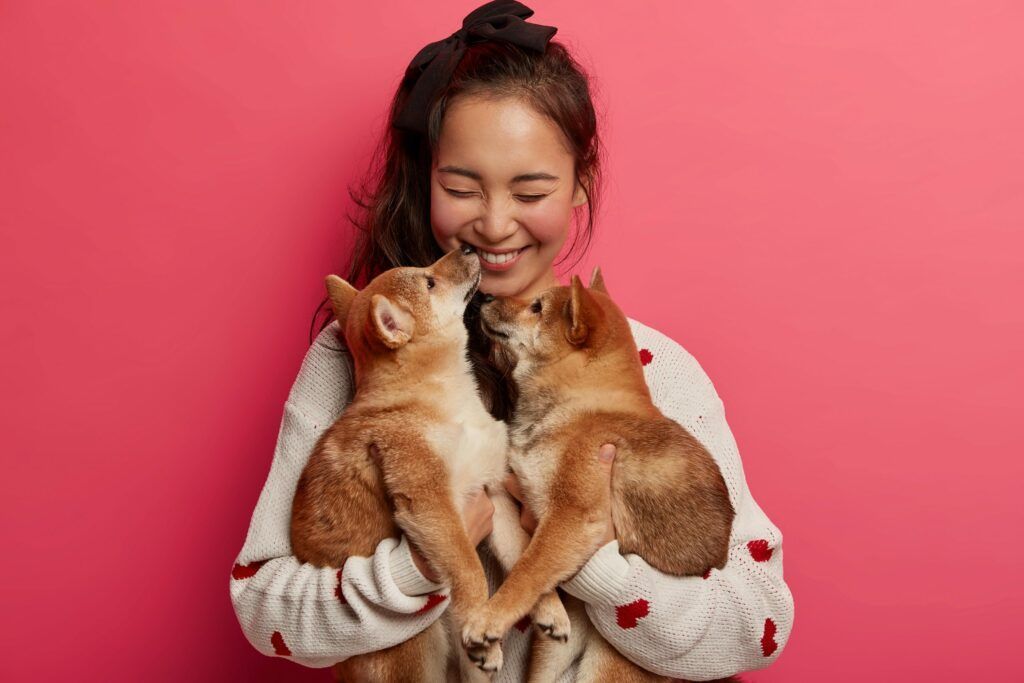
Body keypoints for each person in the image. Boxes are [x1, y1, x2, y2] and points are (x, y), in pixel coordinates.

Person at [229, 2, 794, 680]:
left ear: (582, 181)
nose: (495, 224)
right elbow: (262, 603)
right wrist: (419, 562)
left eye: (531, 190)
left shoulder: (651, 368)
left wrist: (585, 558)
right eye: (461, 187)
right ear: (425, 178)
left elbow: (755, 621)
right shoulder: (358, 354)